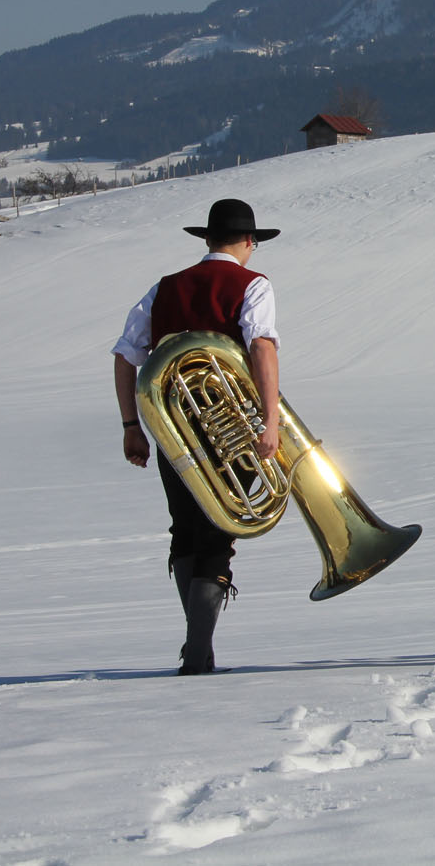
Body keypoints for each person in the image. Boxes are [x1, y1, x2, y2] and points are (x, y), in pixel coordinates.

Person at [111, 198, 282, 675]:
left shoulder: (163, 288)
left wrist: (131, 425)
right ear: (250, 242)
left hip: (172, 429)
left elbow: (126, 357)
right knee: (218, 532)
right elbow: (262, 348)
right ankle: (197, 653)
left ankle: (197, 647)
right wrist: (271, 420)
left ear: (207, 240)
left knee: (186, 529)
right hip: (232, 433)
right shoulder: (254, 284)